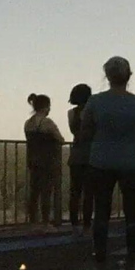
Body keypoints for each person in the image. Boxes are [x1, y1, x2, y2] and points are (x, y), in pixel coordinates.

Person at [80, 57, 135, 268]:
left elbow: (85, 132)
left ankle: (100, 254)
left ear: (107, 76)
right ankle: (132, 255)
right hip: (131, 163)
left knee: (101, 209)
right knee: (132, 210)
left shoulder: (94, 102)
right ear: (129, 76)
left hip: (101, 162)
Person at [24, 93, 64, 231]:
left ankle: (32, 222)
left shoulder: (28, 123)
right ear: (46, 107)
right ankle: (46, 223)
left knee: (34, 192)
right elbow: (60, 139)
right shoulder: (48, 123)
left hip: (33, 160)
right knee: (46, 192)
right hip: (47, 161)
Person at [67, 84, 94, 235]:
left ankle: (74, 224)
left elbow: (73, 130)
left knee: (75, 192)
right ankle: (87, 225)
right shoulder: (92, 112)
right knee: (89, 193)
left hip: (76, 154)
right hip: (90, 154)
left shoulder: (71, 113)